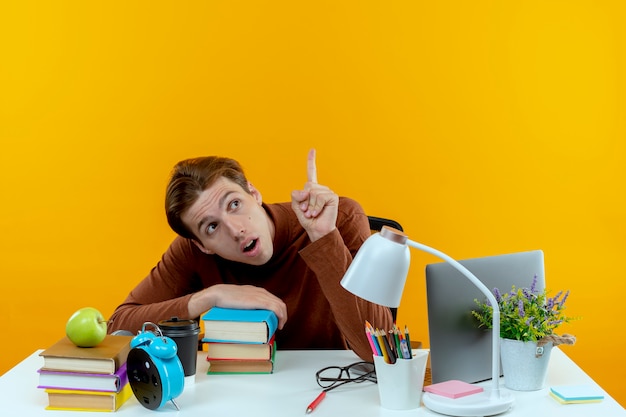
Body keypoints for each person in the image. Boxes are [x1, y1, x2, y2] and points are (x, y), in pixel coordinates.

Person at [108, 149, 393, 361]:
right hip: (236, 393)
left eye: (234, 204)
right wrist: (210, 296)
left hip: (327, 388)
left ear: (254, 193)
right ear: (202, 245)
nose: (235, 230)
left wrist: (324, 240)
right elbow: (118, 326)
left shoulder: (339, 218)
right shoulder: (190, 252)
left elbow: (380, 351)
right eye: (211, 226)